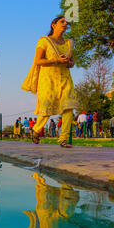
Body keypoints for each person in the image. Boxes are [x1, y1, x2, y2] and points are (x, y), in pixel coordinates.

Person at [21, 16, 78, 148]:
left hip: (65, 78)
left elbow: (72, 63)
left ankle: (63, 139)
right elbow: (38, 61)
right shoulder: (44, 41)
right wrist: (56, 60)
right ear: (53, 24)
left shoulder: (69, 43)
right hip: (48, 79)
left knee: (68, 107)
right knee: (47, 108)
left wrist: (68, 62)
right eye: (62, 22)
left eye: (66, 22)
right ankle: (35, 130)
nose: (65, 24)